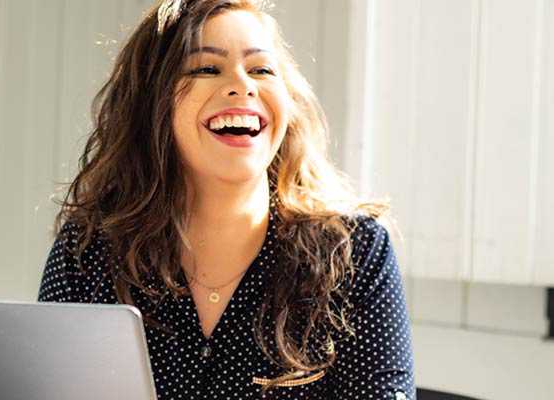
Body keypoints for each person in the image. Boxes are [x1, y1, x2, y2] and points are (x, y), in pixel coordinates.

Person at [37, 0, 415, 399]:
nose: (242, 84)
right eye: (206, 68)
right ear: (155, 103)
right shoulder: (88, 252)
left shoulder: (355, 254)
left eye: (261, 70)